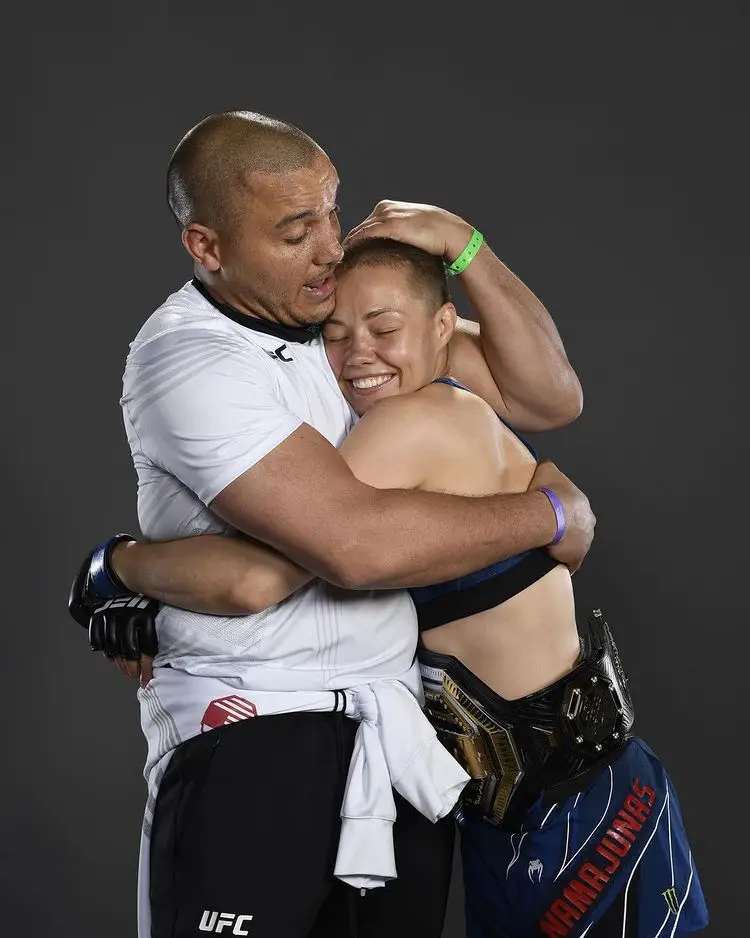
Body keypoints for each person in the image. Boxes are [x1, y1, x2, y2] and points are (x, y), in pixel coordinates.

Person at [68, 109, 597, 938]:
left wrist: (467, 247)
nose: (328, 248)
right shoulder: (189, 357)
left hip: (395, 730)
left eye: (330, 213)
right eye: (293, 231)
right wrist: (550, 511)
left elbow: (546, 396)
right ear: (208, 248)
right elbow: (351, 546)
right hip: (251, 724)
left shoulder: (338, 314)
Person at [100, 237, 708, 937]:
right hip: (511, 811)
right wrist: (555, 507)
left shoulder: (413, 420)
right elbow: (547, 395)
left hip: (579, 806)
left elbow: (260, 574)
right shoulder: (421, 406)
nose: (359, 354)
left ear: (443, 330)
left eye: (385, 330)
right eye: (334, 334)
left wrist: (114, 567)